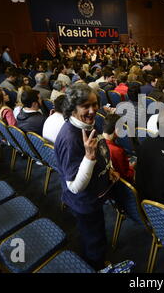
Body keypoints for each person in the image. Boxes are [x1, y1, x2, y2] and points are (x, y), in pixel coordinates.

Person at [54, 83, 119, 270]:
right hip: (85, 202)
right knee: (94, 238)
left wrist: (109, 168)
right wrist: (89, 158)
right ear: (72, 108)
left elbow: (100, 148)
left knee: (94, 232)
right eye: (85, 106)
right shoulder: (70, 139)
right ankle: (96, 266)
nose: (93, 110)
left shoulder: (87, 123)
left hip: (95, 195)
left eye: (95, 104)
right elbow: (74, 186)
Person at [102, 114, 135, 183]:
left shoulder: (97, 141)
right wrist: (132, 166)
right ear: (116, 131)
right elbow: (126, 176)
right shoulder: (117, 151)